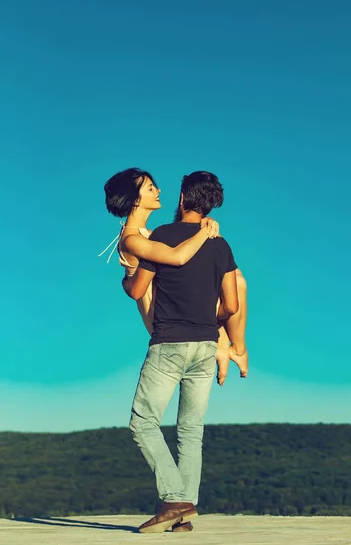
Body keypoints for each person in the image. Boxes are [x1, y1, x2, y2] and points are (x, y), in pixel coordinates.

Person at [127, 171, 242, 533]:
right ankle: (184, 513)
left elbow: (138, 290)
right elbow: (233, 304)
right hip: (207, 345)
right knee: (191, 431)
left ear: (181, 198)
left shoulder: (162, 236)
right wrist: (211, 318)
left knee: (143, 422)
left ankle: (175, 498)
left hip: (169, 342)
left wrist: (127, 279)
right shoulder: (220, 245)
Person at [100, 167, 248, 384]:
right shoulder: (133, 240)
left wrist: (203, 221)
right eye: (150, 188)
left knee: (234, 277)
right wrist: (204, 230)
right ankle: (233, 349)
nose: (158, 190)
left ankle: (234, 348)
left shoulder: (150, 235)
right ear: (135, 200)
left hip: (177, 296)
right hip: (162, 310)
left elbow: (182, 236)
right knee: (233, 281)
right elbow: (177, 256)